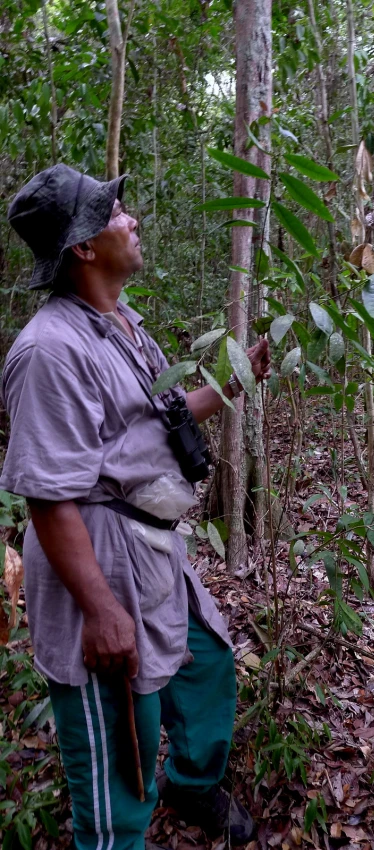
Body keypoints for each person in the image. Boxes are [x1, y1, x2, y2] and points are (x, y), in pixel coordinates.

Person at [0, 164, 271, 850]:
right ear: (85, 247)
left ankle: (191, 784)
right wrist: (99, 609)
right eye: (116, 213)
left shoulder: (120, 324)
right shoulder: (49, 352)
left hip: (153, 549)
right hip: (98, 553)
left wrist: (239, 376)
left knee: (205, 665)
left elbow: (161, 417)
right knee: (120, 734)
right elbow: (46, 495)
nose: (132, 219)